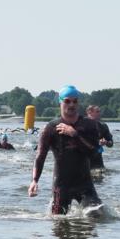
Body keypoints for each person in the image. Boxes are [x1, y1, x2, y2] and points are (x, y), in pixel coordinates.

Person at [29, 86, 102, 214]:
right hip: (61, 185)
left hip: (85, 184)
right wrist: (34, 180)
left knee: (96, 215)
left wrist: (74, 135)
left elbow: (94, 152)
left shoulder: (89, 125)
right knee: (58, 223)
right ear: (60, 102)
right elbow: (40, 156)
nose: (71, 104)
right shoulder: (51, 128)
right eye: (67, 101)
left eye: (75, 101)